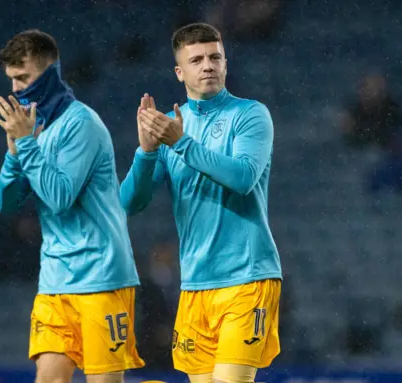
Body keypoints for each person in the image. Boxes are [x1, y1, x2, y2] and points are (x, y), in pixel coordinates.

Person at [120, 23, 283, 383]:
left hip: (246, 277)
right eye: (196, 59)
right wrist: (147, 153)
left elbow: (242, 177)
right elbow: (129, 203)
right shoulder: (169, 129)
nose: (207, 65)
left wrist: (181, 144)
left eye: (214, 57)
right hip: (195, 286)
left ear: (226, 64)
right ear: (180, 72)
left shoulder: (250, 115)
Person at [0, 29, 143, 383]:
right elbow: (5, 202)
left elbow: (59, 198)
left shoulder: (82, 125)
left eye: (24, 78)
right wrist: (14, 156)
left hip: (101, 277)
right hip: (55, 280)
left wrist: (27, 145)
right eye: (12, 80)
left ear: (48, 73)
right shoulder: (33, 128)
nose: (16, 90)